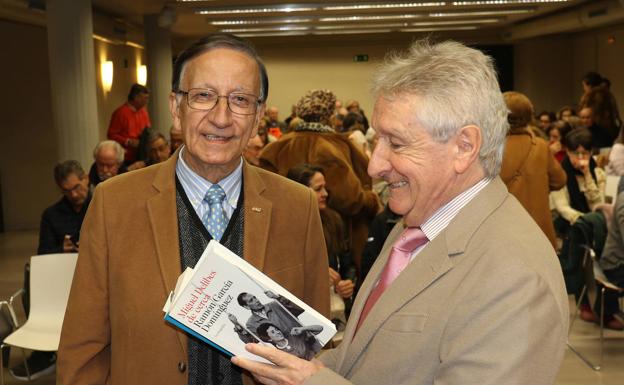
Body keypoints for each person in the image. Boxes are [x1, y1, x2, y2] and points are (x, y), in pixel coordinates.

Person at [233, 39, 569, 385]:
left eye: (396, 143)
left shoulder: (515, 277)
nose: (375, 166)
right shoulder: (416, 224)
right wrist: (293, 366)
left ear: (464, 147)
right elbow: (365, 355)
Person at [57, 33, 329, 385]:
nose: (221, 117)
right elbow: (84, 346)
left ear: (258, 114)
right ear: (175, 106)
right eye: (203, 96)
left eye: (240, 99)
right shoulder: (114, 203)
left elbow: (313, 346)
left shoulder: (298, 205)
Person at [260, 89, 380, 270]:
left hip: (285, 237)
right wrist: (371, 200)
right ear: (329, 116)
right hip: (333, 237)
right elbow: (351, 199)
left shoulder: (276, 147)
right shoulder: (331, 148)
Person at [10, 160, 91, 380]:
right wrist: (61, 250)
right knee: (33, 275)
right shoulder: (51, 215)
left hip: (94, 277)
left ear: (85, 179)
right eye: (67, 191)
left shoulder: (101, 204)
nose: (74, 194)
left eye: (77, 187)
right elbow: (43, 253)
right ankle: (46, 353)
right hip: (60, 281)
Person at [500, 91, 567, 249]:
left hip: (504, 230)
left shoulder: (490, 148)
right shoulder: (541, 146)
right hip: (539, 231)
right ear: (530, 116)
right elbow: (560, 180)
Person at [107, 83, 151, 162]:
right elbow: (111, 134)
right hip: (126, 157)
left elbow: (148, 130)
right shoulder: (120, 113)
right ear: (136, 97)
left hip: (142, 154)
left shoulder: (144, 112)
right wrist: (128, 141)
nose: (147, 101)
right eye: (145, 98)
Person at [256, 323, 322, 360]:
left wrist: (302, 328)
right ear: (269, 339)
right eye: (273, 332)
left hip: (321, 357)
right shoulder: (279, 354)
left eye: (276, 329)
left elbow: (320, 328)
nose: (278, 332)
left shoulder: (293, 335)